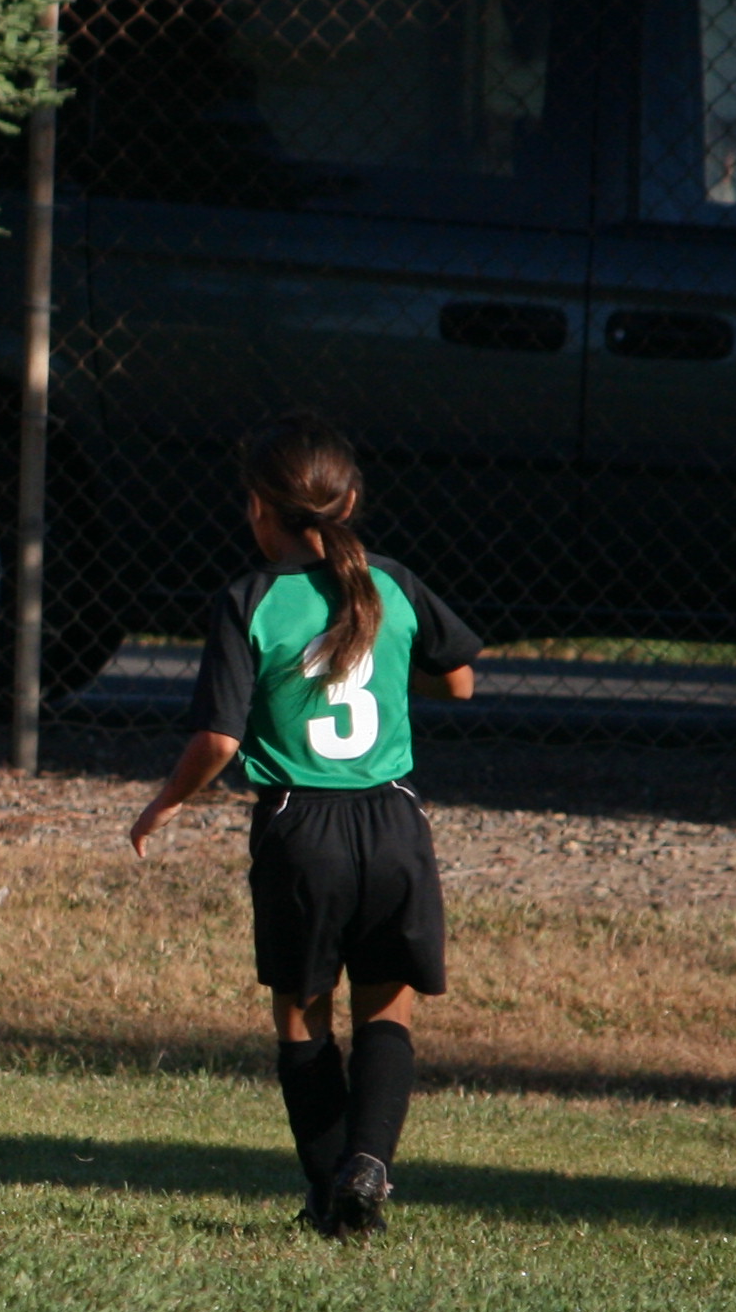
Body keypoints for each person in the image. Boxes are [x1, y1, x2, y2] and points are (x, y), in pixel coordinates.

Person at [126, 414, 481, 1238]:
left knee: (304, 1016)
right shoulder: (390, 584)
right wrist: (384, 669)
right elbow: (460, 681)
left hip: (301, 830)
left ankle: (332, 1202)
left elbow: (218, 741)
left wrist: (166, 801)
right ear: (349, 501)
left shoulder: (249, 600)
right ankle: (370, 1161)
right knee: (385, 1009)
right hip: (394, 822)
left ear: (258, 507)